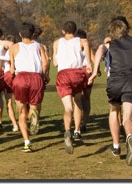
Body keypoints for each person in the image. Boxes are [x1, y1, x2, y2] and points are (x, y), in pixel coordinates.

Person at [88, 19, 132, 166]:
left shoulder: (110, 45)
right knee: (127, 117)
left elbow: (100, 49)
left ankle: (116, 145)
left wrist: (95, 72)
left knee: (113, 111)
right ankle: (130, 136)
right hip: (131, 80)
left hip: (115, 81)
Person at [9, 22, 49, 153]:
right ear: (33, 34)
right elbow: (46, 62)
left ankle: (27, 142)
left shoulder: (14, 47)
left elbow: (12, 69)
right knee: (33, 106)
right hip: (36, 77)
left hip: (21, 78)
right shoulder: (40, 46)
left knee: (21, 112)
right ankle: (34, 114)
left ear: (20, 34)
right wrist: (44, 75)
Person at [52, 21, 91, 154]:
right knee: (78, 102)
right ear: (75, 31)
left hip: (63, 75)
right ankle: (77, 131)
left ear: (63, 31)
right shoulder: (82, 41)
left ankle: (67, 130)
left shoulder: (57, 43)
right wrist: (90, 65)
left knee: (68, 107)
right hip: (77, 73)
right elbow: (88, 59)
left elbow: (55, 63)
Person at [0, 34, 19, 132]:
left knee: (9, 101)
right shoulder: (18, 50)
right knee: (19, 101)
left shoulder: (5, 53)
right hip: (19, 74)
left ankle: (15, 124)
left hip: (8, 75)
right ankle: (22, 120)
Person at [76, 29, 95, 132]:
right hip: (87, 72)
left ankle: (76, 125)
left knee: (77, 98)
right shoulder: (88, 47)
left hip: (77, 71)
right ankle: (84, 123)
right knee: (87, 98)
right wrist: (97, 71)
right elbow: (94, 59)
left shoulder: (74, 46)